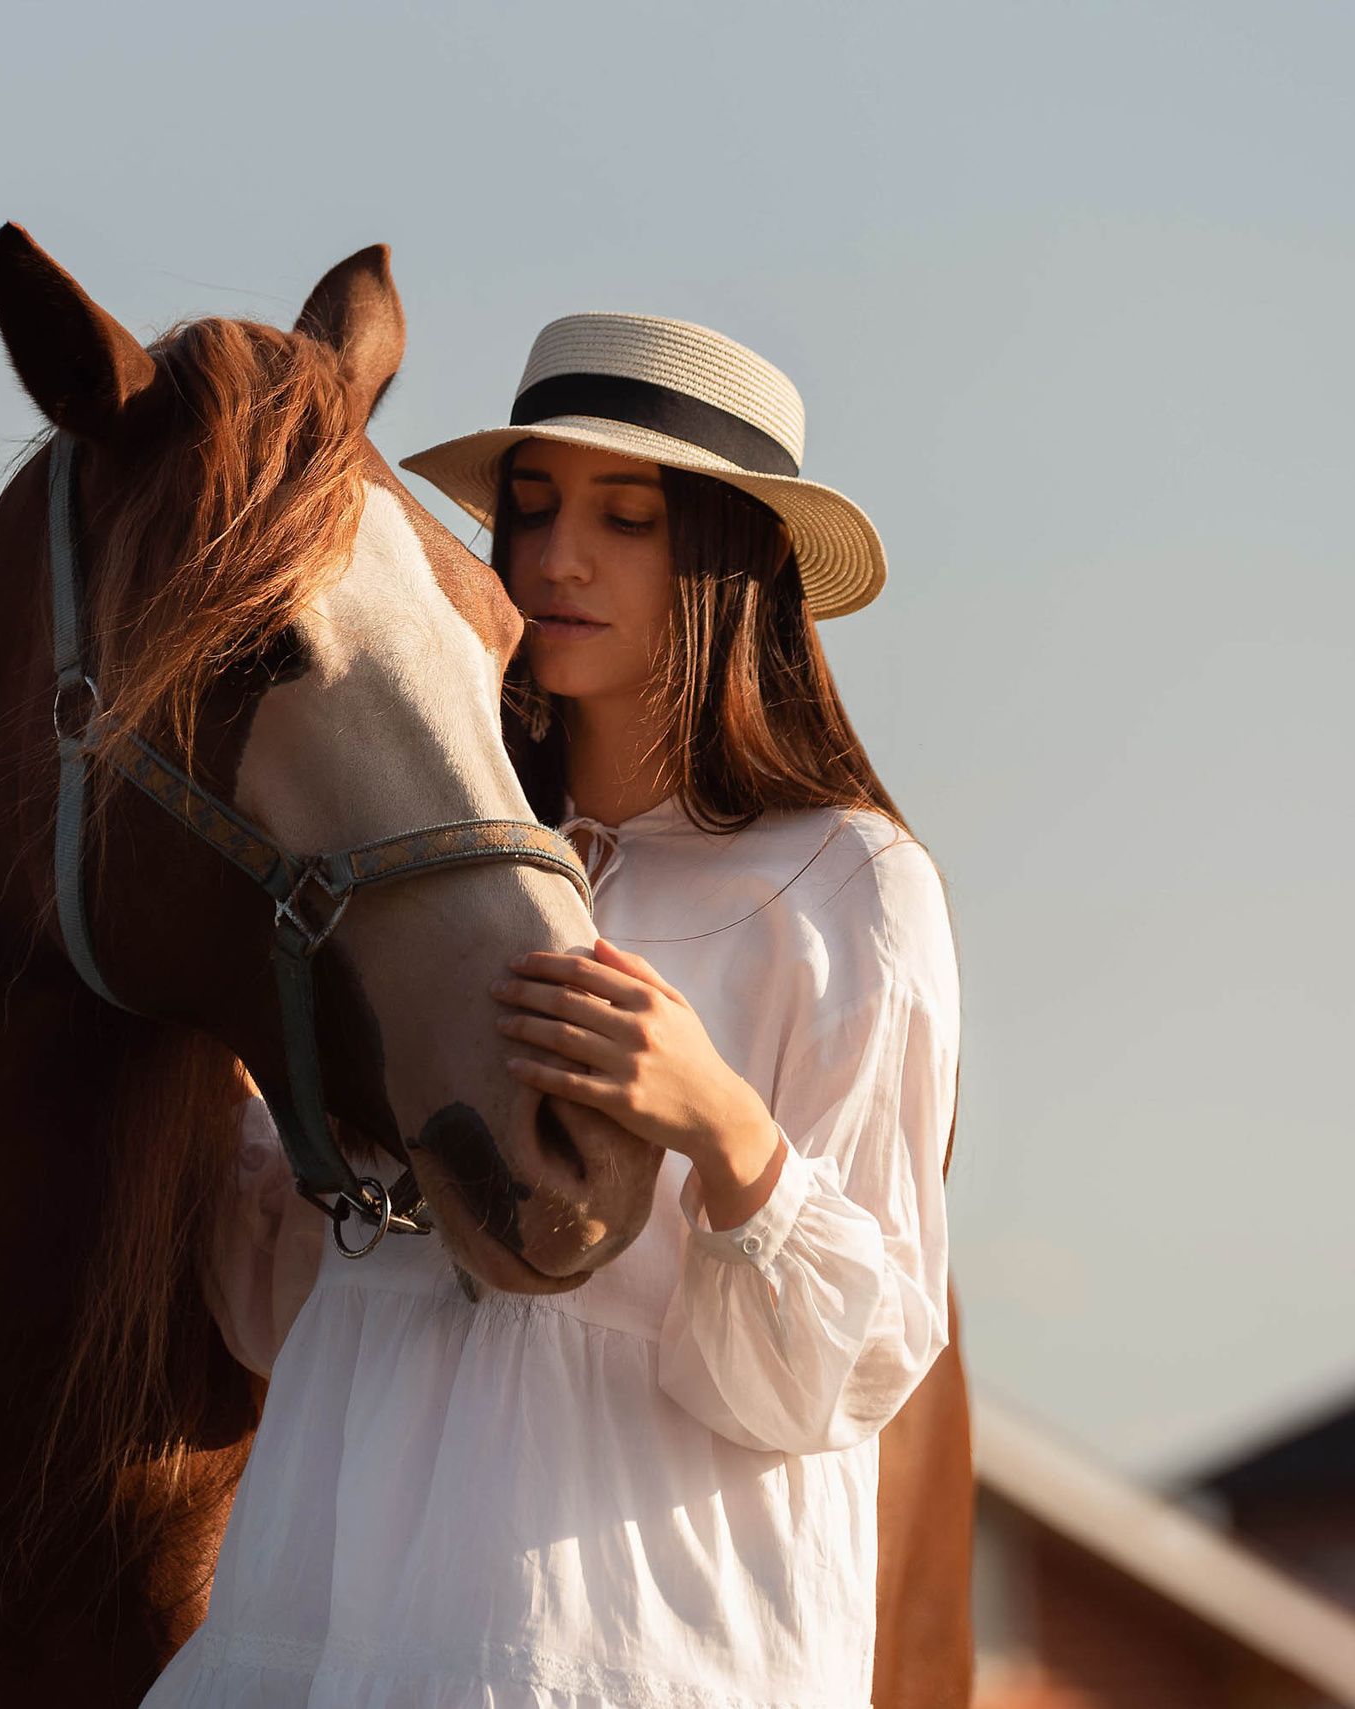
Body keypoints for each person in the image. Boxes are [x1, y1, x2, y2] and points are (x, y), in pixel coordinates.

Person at [144, 312, 959, 1708]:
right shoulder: (430, 867)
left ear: (729, 558)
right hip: (330, 1625)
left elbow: (845, 1369)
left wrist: (721, 1123)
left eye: (626, 516)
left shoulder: (848, 885)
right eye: (533, 506)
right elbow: (296, 1304)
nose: (558, 555)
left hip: (630, 1646)